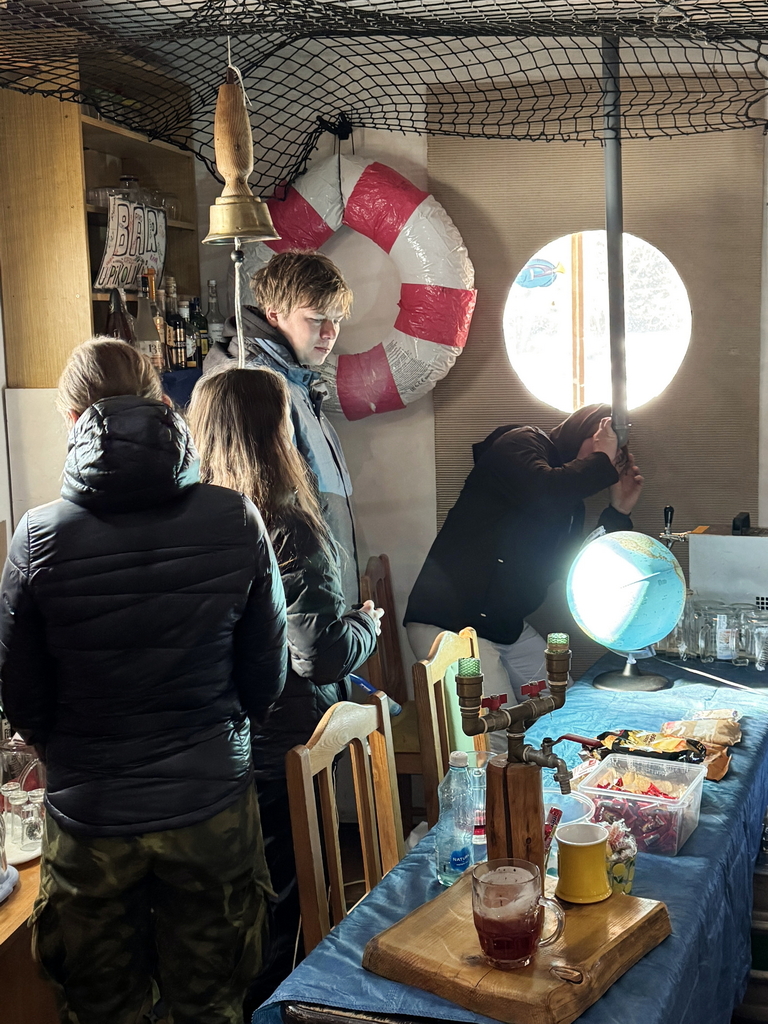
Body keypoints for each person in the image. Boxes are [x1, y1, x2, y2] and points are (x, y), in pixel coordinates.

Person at [0, 338, 288, 1024]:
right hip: (211, 806)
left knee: (101, 1008)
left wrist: (76, 752)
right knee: (211, 1003)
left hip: (91, 816)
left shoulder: (36, 537)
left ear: (73, 421)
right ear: (163, 404)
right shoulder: (235, 518)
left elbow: (22, 699)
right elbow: (266, 678)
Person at [188, 365, 382, 1004]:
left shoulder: (186, 523)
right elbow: (319, 656)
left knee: (228, 910)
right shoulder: (285, 523)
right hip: (284, 747)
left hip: (210, 746)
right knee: (287, 913)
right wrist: (365, 624)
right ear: (275, 434)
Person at [404, 404, 644, 724]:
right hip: (451, 622)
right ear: (583, 430)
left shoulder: (571, 507)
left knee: (565, 714)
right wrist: (600, 460)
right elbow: (544, 492)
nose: (610, 460)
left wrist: (618, 512)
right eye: (605, 444)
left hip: (505, 626)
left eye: (615, 456)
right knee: (492, 734)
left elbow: (576, 570)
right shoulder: (520, 443)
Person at [204, 249, 359, 608]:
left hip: (322, 600)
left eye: (336, 320)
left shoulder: (297, 384)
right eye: (316, 318)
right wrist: (319, 617)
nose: (330, 333)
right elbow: (270, 520)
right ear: (274, 314)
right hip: (298, 610)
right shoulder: (257, 389)